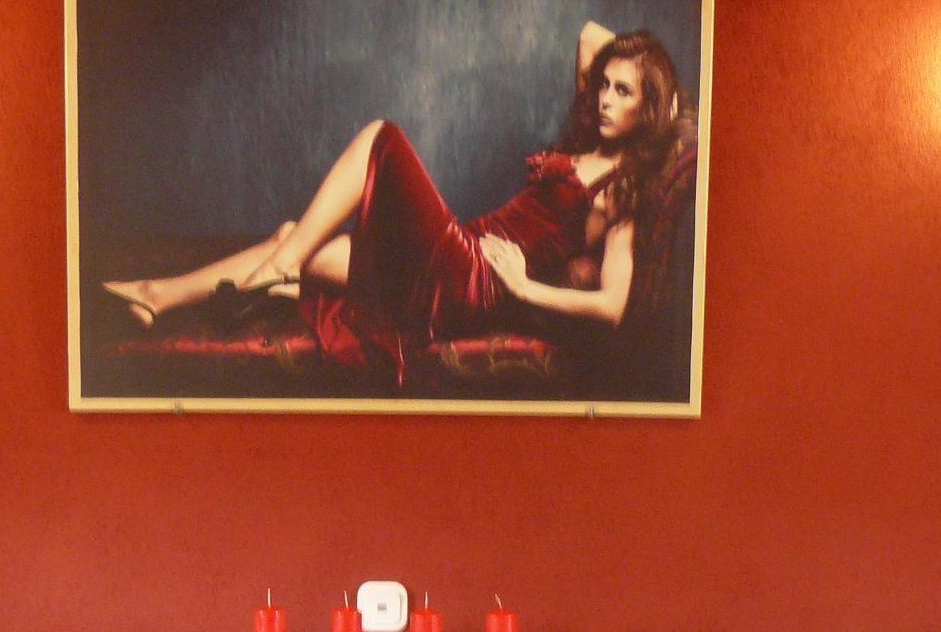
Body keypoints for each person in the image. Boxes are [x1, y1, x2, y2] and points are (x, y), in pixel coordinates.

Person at [96, 23, 695, 384]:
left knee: (381, 137)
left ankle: (279, 271)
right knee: (293, 235)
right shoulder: (590, 142)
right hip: (455, 256)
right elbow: (591, 34)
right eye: (604, 85)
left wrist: (523, 287)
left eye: (624, 92)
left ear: (649, 106)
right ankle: (158, 295)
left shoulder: (624, 189)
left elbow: (613, 307)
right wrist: (646, 73)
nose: (605, 99)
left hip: (472, 281)